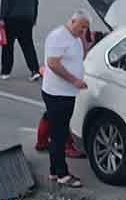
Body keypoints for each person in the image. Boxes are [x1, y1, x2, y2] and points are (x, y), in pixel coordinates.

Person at [41, 10, 90, 188]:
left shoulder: (76, 38)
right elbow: (53, 63)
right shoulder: (58, 36)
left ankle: (55, 171)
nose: (83, 30)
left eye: (86, 27)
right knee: (59, 135)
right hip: (57, 94)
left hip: (67, 93)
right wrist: (74, 80)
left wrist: (85, 40)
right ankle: (62, 174)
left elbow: (80, 57)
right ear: (73, 21)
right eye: (81, 26)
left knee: (59, 133)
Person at [35, 26, 102, 157]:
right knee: (63, 118)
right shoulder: (76, 46)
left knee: (51, 115)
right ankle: (66, 147)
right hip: (60, 87)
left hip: (52, 85)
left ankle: (42, 143)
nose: (89, 38)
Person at [0, 0, 41, 81]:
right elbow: (36, 1)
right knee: (28, 45)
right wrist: (34, 18)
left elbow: (5, 1)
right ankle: (34, 70)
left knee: (8, 46)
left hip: (11, 18)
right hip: (27, 18)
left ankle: (5, 72)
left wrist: (2, 18)